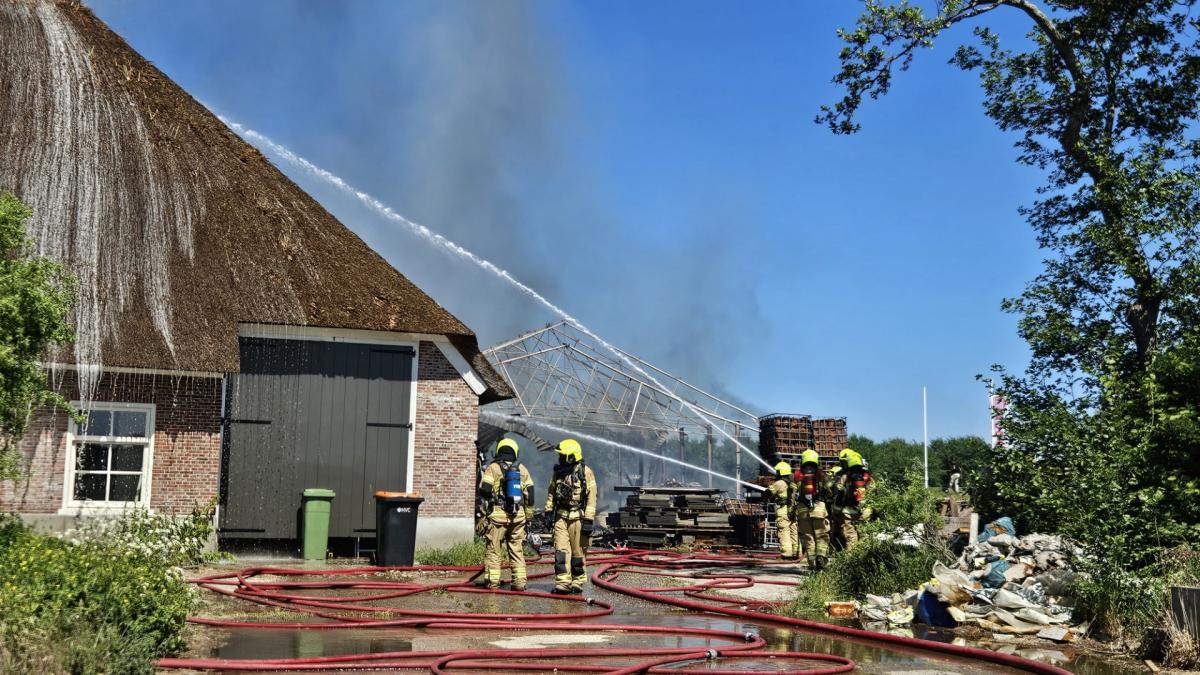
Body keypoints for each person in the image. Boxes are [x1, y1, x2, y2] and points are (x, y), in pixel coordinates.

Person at [476, 438, 535, 590]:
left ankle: (493, 582)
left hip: (498, 517)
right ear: (515, 452)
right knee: (516, 549)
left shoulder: (493, 468)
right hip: (518, 516)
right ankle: (520, 582)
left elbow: (485, 489)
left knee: (494, 550)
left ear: (499, 451)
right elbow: (530, 495)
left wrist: (490, 503)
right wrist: (528, 516)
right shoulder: (522, 469)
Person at [544, 438, 597, 594]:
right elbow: (551, 493)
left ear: (572, 456)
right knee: (560, 551)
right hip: (561, 517)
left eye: (562, 456)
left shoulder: (585, 472)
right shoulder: (558, 473)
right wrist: (548, 512)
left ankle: (577, 582)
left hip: (577, 518)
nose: (560, 459)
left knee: (577, 553)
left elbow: (592, 497)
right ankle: (563, 583)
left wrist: (588, 520)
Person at [793, 449, 830, 570]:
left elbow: (792, 493)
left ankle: (812, 564)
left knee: (808, 538)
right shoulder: (821, 474)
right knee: (821, 535)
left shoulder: (798, 475)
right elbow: (830, 490)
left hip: (803, 510)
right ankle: (821, 557)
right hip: (818, 508)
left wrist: (792, 510)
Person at [832, 448, 872, 548]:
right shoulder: (867, 475)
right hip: (865, 510)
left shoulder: (845, 476)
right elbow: (875, 491)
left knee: (851, 536)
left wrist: (836, 510)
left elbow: (838, 491)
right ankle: (866, 558)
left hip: (848, 511)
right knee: (865, 535)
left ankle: (852, 560)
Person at [768, 460, 798, 560]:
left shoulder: (780, 483)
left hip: (783, 510)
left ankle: (786, 554)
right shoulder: (793, 484)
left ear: (781, 472)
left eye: (777, 472)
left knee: (784, 532)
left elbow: (770, 492)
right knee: (794, 532)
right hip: (793, 510)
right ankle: (796, 553)